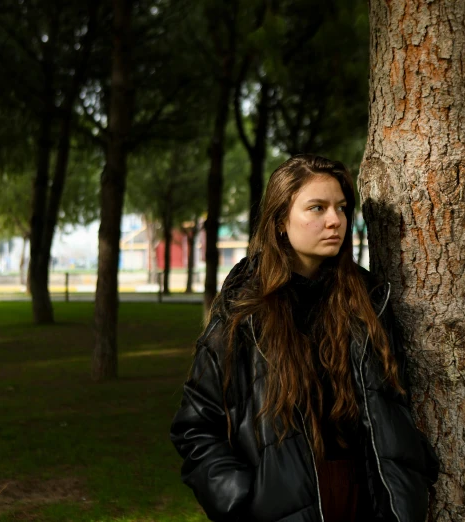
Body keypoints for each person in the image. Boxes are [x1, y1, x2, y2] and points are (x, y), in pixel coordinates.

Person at [170, 154, 439, 522]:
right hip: (280, 503)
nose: (335, 221)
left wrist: (414, 478)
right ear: (281, 221)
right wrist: (240, 499)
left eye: (341, 208)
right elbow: (196, 426)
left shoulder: (369, 300)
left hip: (368, 501)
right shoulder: (245, 310)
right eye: (317, 208)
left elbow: (395, 406)